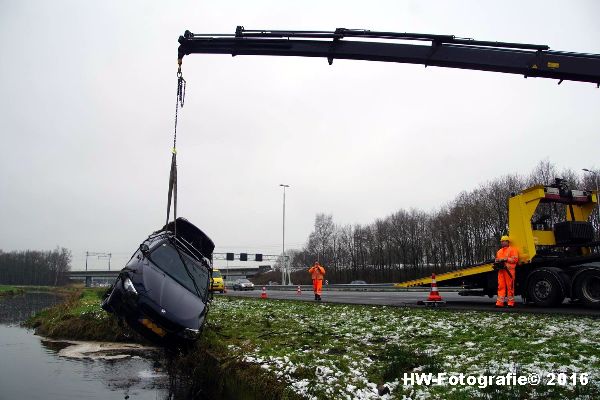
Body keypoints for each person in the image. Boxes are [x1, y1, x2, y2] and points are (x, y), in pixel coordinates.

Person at [495, 235, 519, 308]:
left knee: (510, 287)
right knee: (501, 287)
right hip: (501, 271)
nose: (502, 243)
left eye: (503, 241)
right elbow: (497, 260)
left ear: (507, 242)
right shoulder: (499, 251)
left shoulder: (512, 250)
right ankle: (500, 303)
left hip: (509, 271)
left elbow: (515, 260)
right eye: (501, 241)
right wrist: (497, 261)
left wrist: (505, 259)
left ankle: (510, 303)